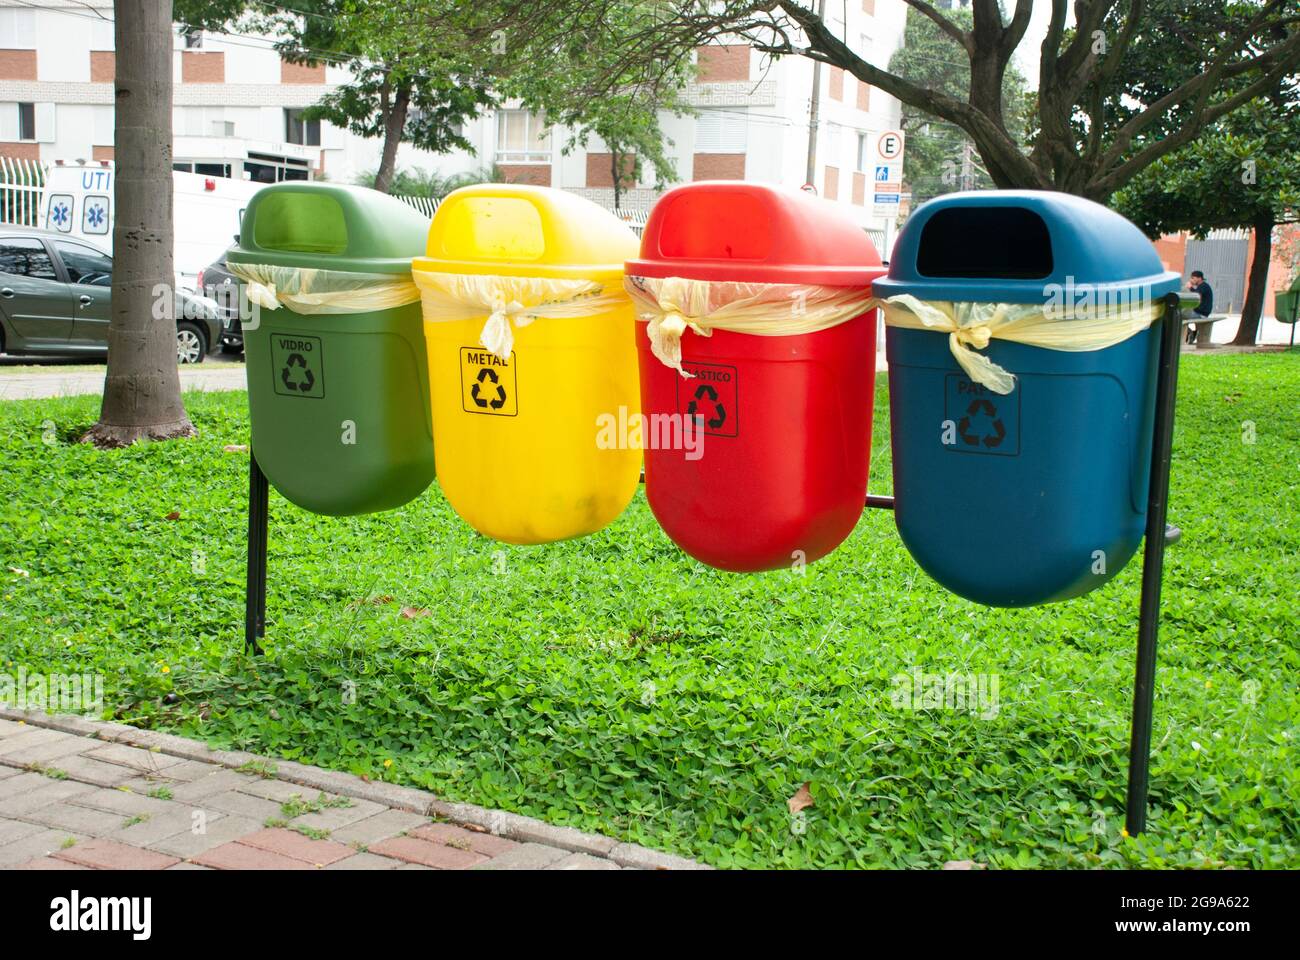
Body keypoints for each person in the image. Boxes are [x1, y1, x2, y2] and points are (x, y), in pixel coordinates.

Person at [1187, 270, 1214, 344]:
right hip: (1199, 311)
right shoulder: (1201, 286)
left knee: (1181, 316)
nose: (1191, 280)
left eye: (1193, 278)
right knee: (1183, 315)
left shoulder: (1203, 286)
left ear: (1199, 278)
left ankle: (1189, 334)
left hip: (1201, 313)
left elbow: (1196, 296)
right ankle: (1191, 334)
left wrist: (1190, 287)